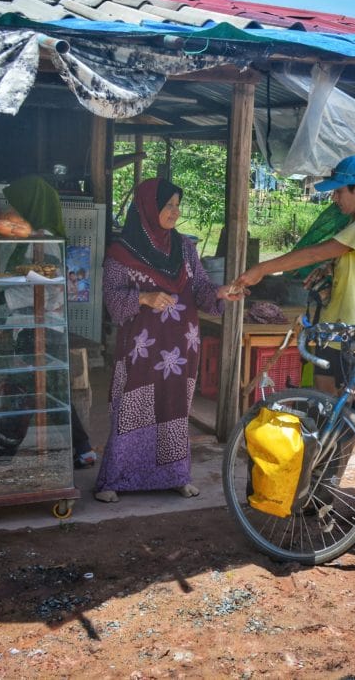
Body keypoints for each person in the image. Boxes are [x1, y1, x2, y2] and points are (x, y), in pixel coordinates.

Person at [233, 154, 355, 532]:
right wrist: (327, 275)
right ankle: (322, 493)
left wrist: (261, 269)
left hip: (347, 343)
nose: (335, 198)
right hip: (334, 338)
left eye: (340, 191)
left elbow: (314, 251)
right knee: (337, 422)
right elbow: (329, 264)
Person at [94, 177, 244, 503]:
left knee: (174, 408)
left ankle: (175, 475)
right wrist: (145, 298)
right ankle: (116, 478)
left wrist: (219, 292)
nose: (175, 212)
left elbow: (201, 290)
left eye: (177, 205)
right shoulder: (122, 252)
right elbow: (111, 299)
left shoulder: (185, 248)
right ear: (149, 207)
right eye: (168, 205)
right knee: (133, 407)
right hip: (141, 347)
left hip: (180, 346)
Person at [0, 175, 97, 469]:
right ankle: (82, 448)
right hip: (38, 326)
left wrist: (5, 297)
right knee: (48, 390)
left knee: (27, 391)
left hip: (38, 327)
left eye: (16, 205)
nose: (12, 211)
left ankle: (6, 452)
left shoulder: (43, 237)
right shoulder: (36, 235)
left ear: (31, 204)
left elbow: (48, 285)